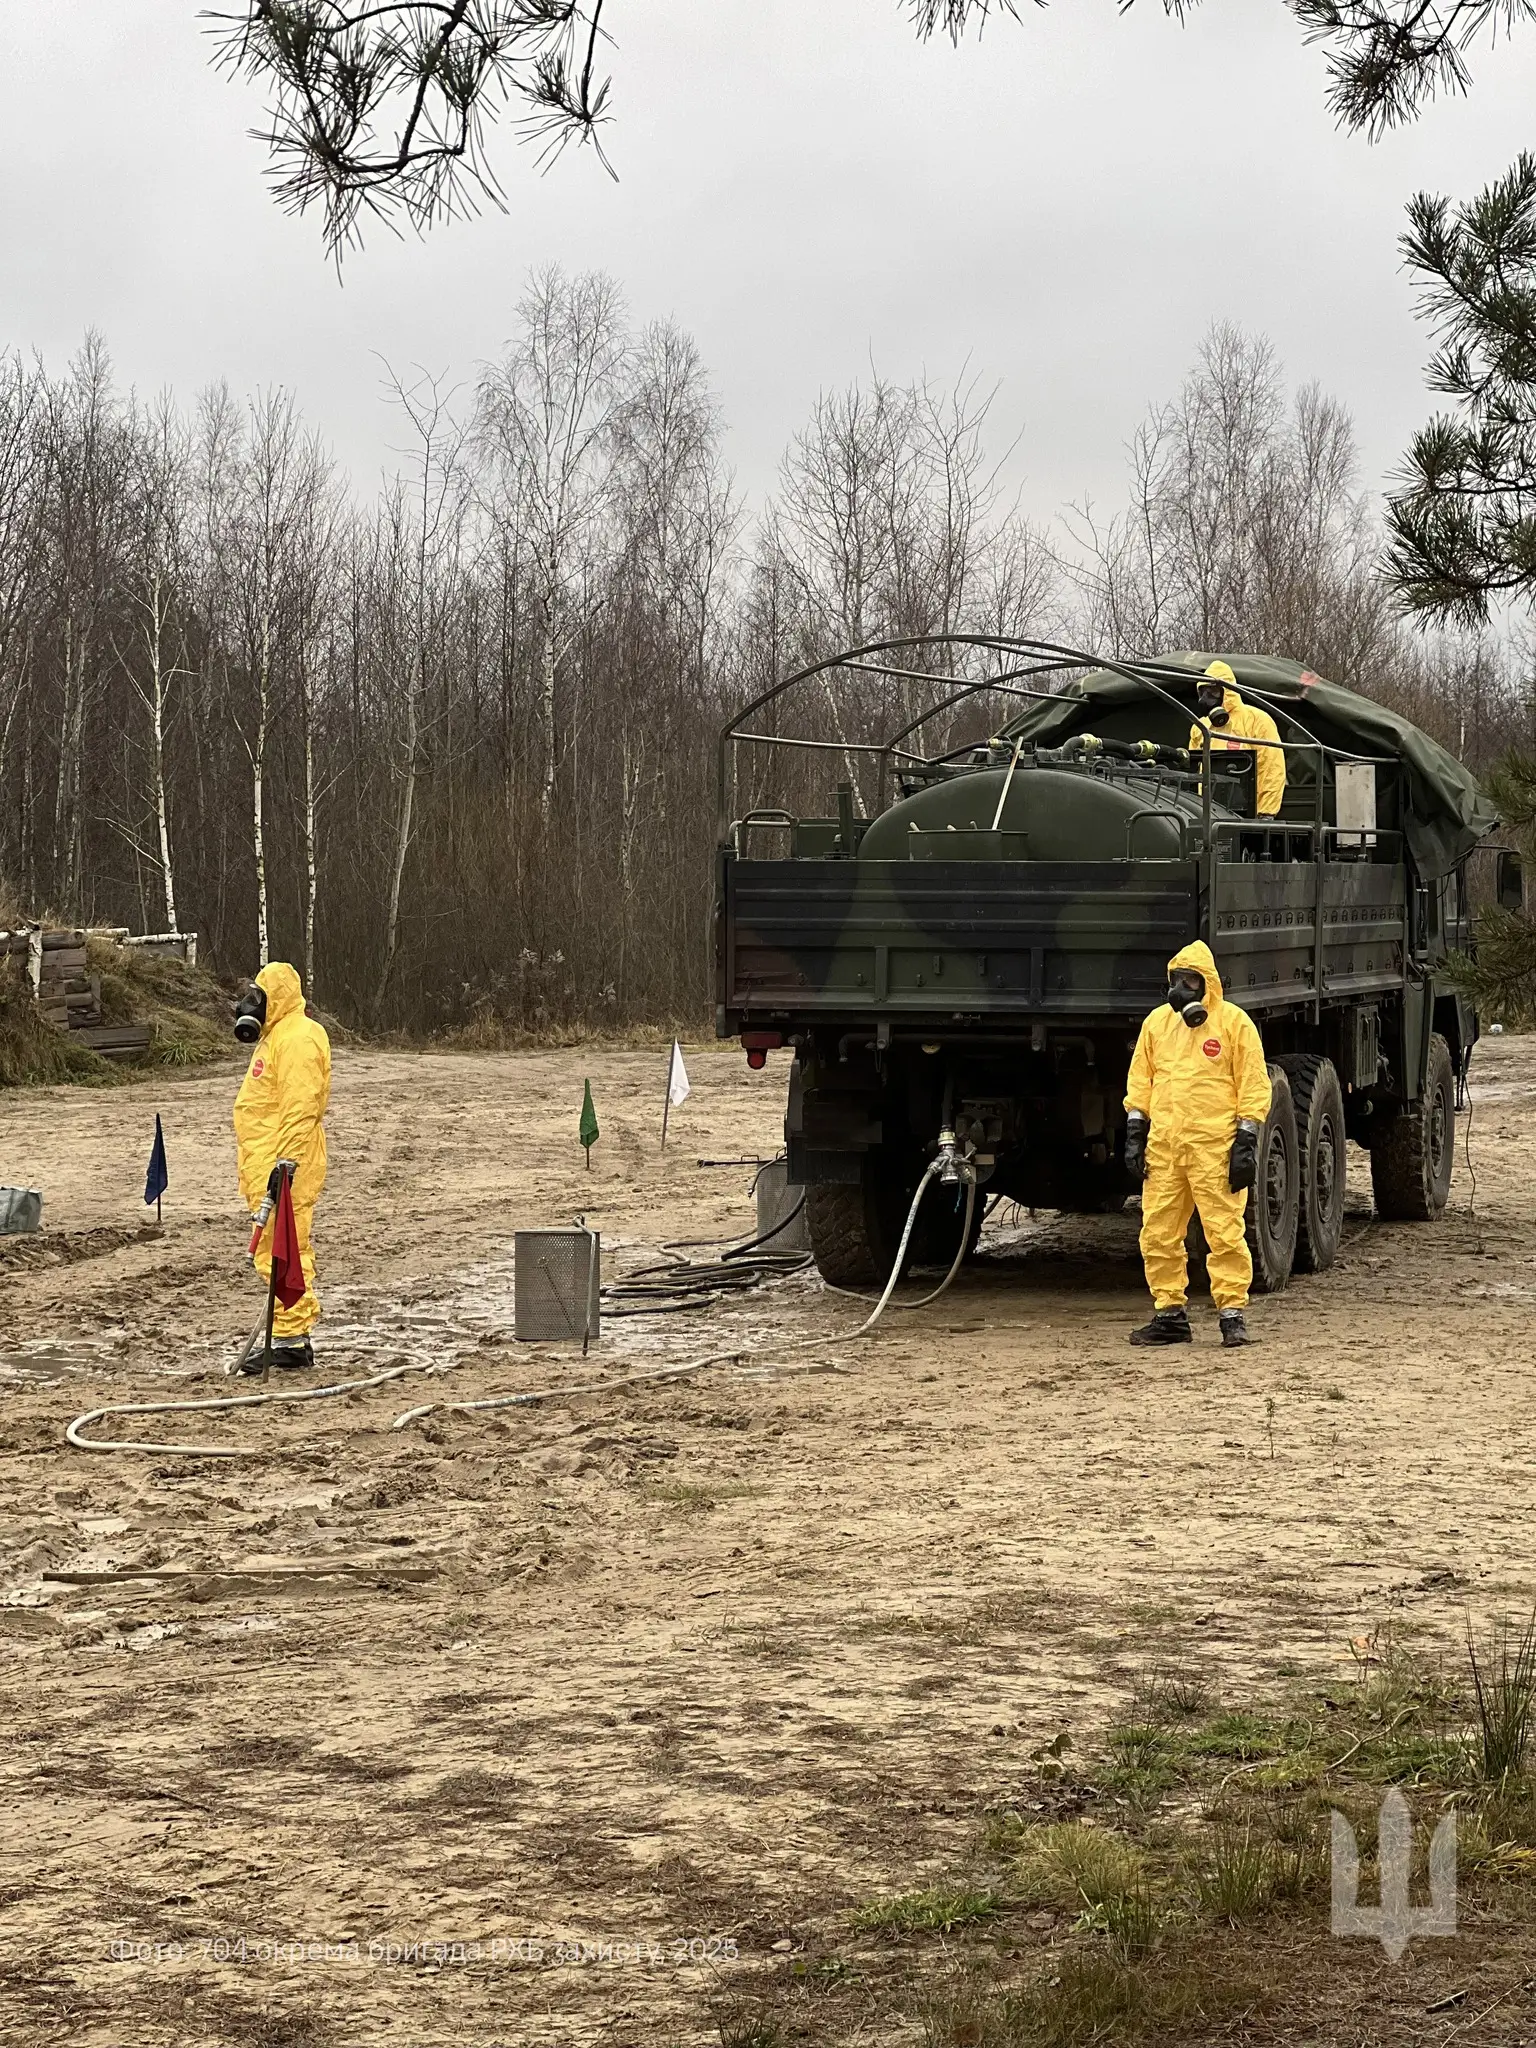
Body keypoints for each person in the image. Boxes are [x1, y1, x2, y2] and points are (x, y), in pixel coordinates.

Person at [1122, 939, 1271, 1349]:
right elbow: (1141, 1082)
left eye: (1191, 980)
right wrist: (1135, 1133)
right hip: (1165, 1150)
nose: (1182, 989)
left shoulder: (1234, 1024)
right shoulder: (1157, 1025)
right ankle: (1169, 1315)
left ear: (1209, 984)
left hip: (1214, 1149)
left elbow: (1254, 1086)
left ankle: (1232, 1316)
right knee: (1158, 1234)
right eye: (1177, 980)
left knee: (1223, 1233)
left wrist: (1246, 1140)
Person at [232, 962, 331, 1371]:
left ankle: (289, 1340)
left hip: (283, 1163)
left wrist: (285, 1163)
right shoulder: (278, 1037)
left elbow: (300, 1104)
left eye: (259, 995)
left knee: (283, 1250)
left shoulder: (297, 1039)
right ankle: (291, 1336)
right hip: (270, 1162)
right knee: (280, 1247)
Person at [1188, 660, 1286, 818]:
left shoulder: (1257, 720)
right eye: (1203, 691)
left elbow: (1271, 767)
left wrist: (1266, 812)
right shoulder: (1200, 727)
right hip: (1207, 812)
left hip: (1247, 812)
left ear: (1227, 691)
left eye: (1213, 691)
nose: (1206, 698)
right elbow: (1192, 772)